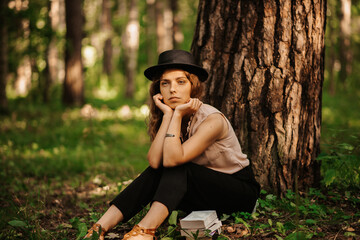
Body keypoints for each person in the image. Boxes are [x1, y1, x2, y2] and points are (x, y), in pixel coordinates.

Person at [84, 50, 260, 240]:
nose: (172, 89)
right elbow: (154, 162)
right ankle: (98, 229)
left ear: (193, 86)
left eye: (180, 82)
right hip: (201, 191)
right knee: (161, 170)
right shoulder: (169, 115)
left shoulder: (212, 119)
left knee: (178, 167)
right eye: (165, 83)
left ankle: (145, 231)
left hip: (238, 193)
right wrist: (169, 115)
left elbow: (173, 160)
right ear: (158, 89)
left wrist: (175, 115)